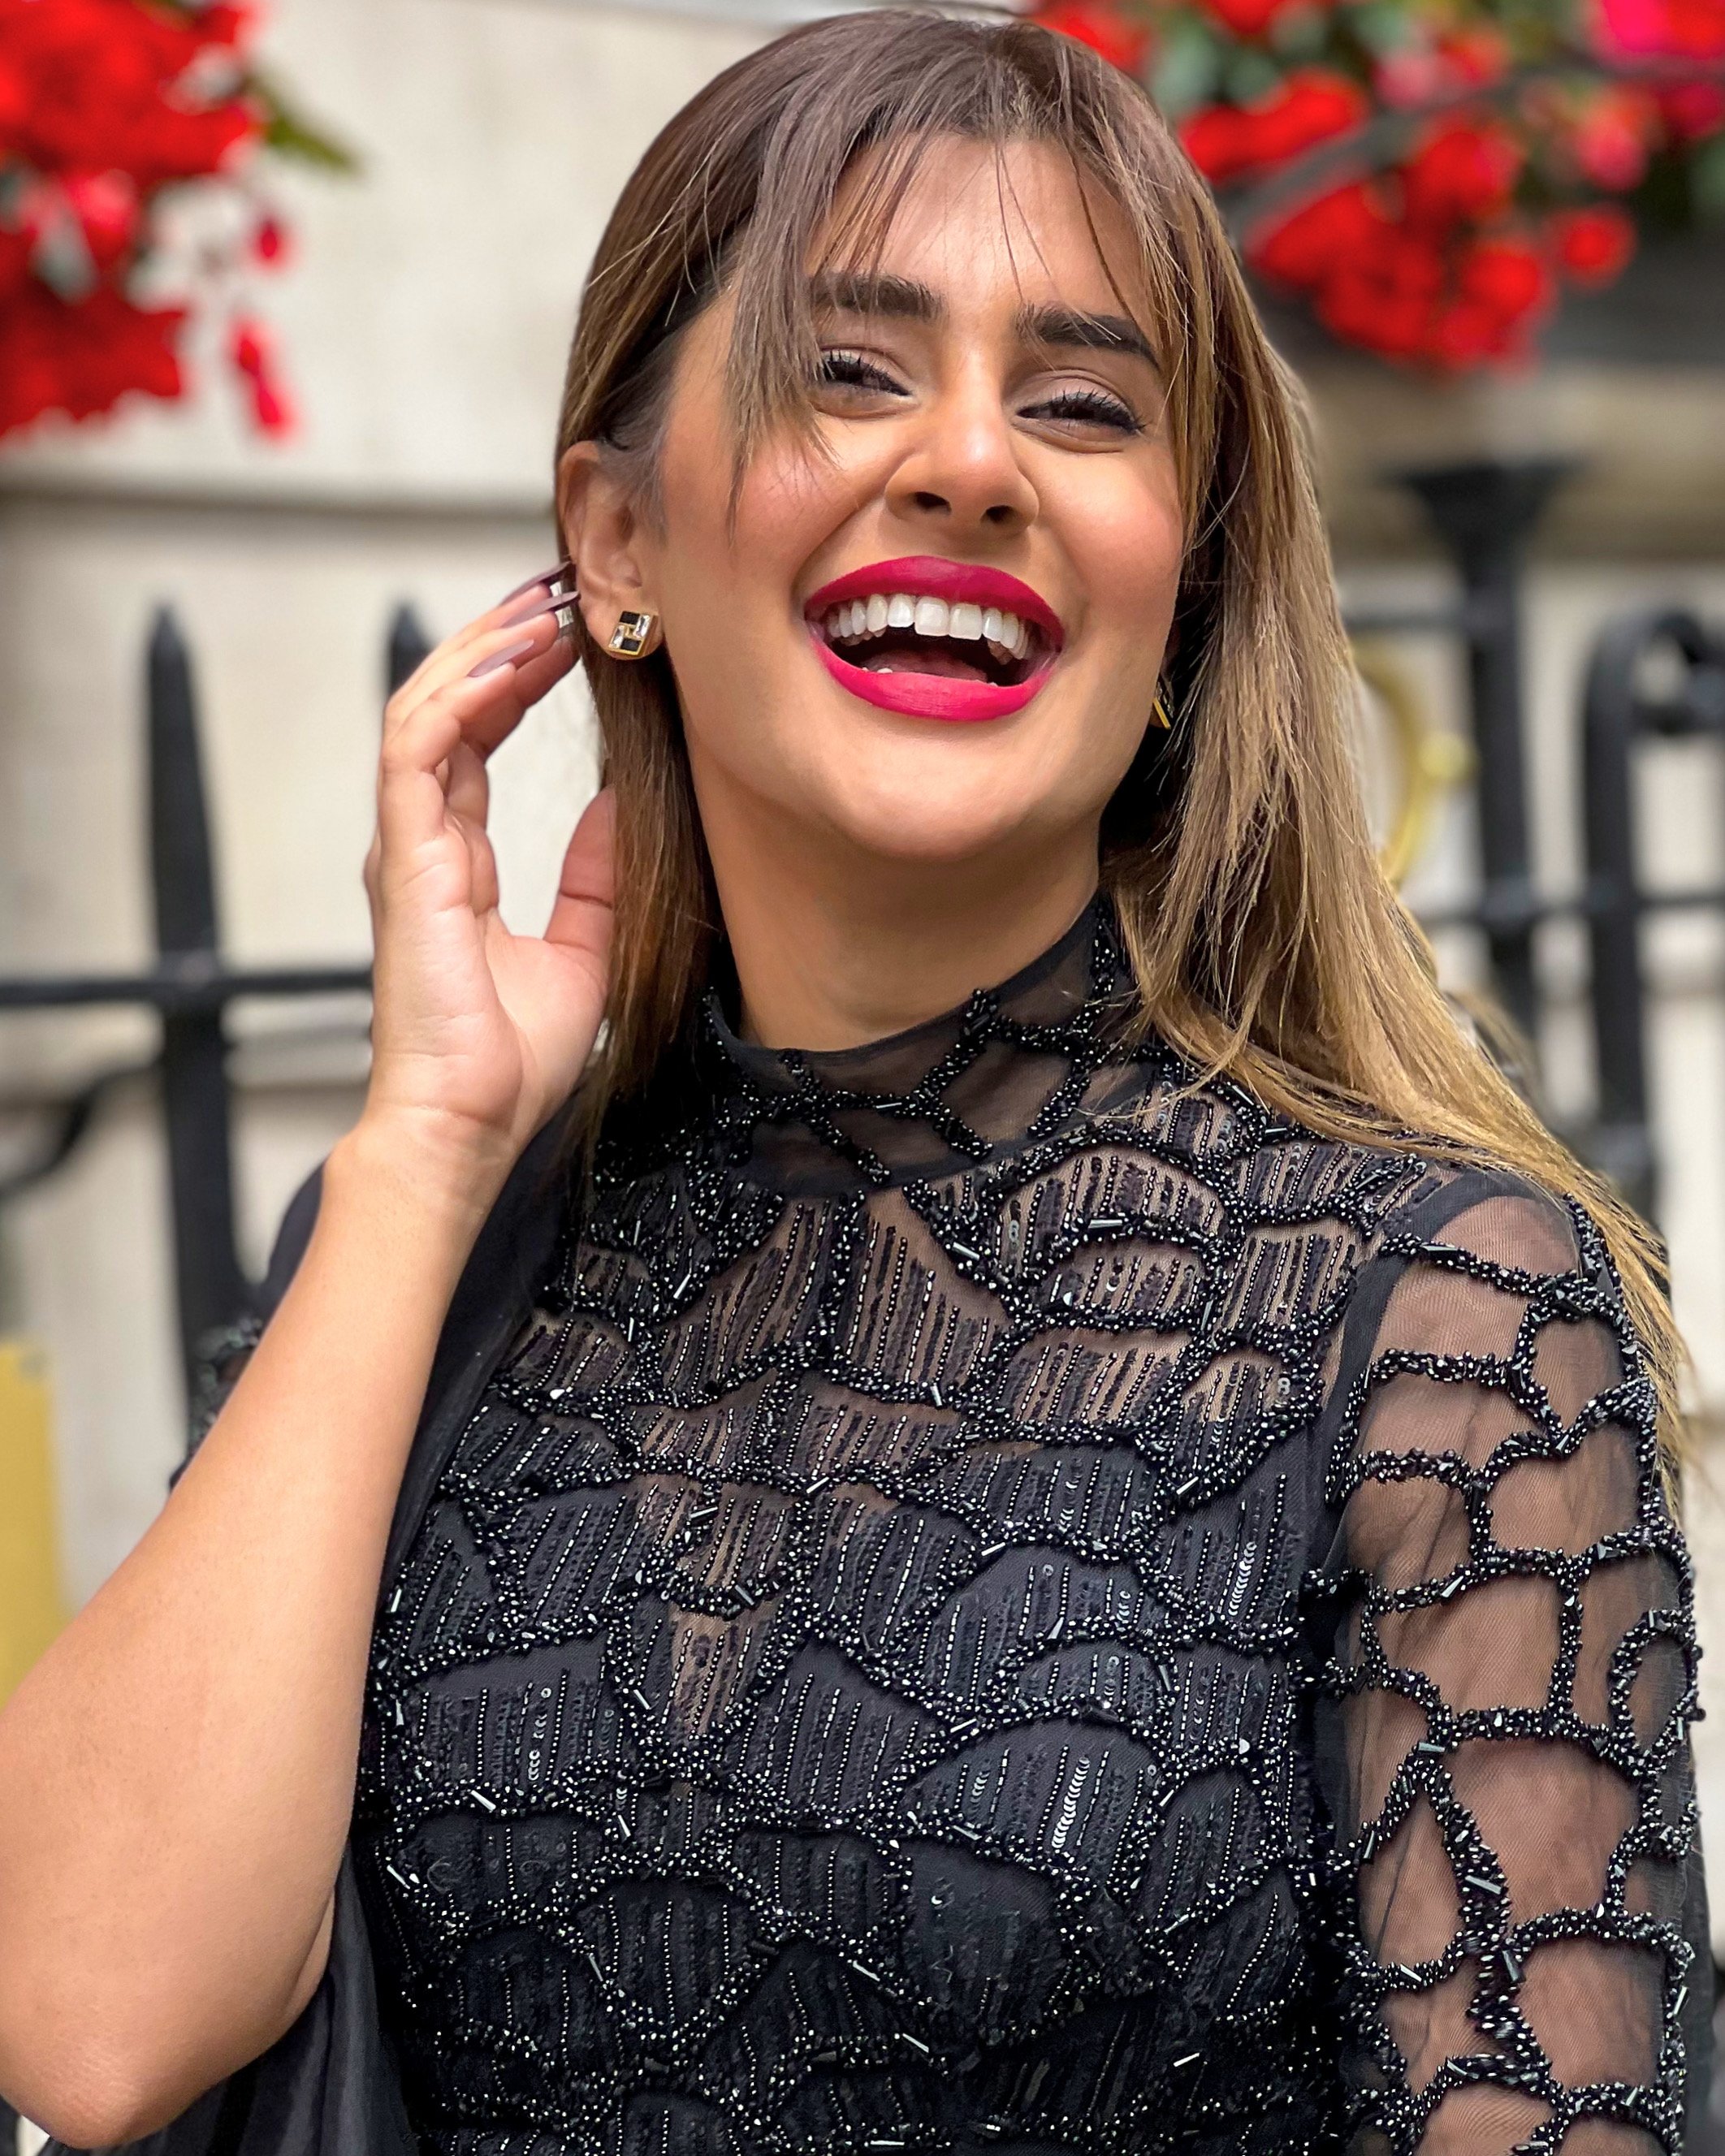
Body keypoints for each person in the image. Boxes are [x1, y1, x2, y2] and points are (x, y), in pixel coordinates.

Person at [0, 11, 1708, 2154]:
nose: (973, 459)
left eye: (1081, 404)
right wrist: (427, 1150)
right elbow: (87, 2023)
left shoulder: (1440, 1316)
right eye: (851, 367)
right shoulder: (432, 1245)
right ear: (613, 542)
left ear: (1174, 599)